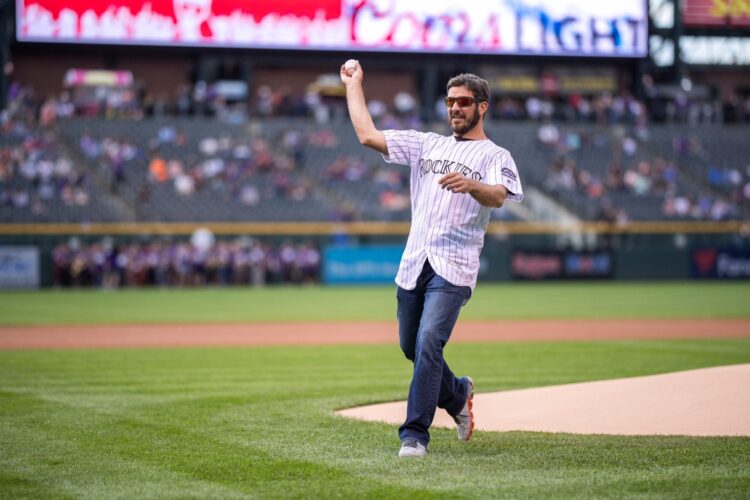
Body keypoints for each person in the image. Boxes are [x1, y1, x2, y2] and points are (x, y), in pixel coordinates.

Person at [340, 61, 524, 458]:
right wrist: (354, 85)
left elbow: (498, 196)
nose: (455, 108)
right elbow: (367, 135)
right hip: (414, 262)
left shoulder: (496, 154)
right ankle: (457, 394)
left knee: (428, 340)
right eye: (450, 101)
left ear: (482, 107)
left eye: (463, 101)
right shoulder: (427, 144)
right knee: (412, 346)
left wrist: (474, 185)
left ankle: (414, 436)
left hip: (454, 268)